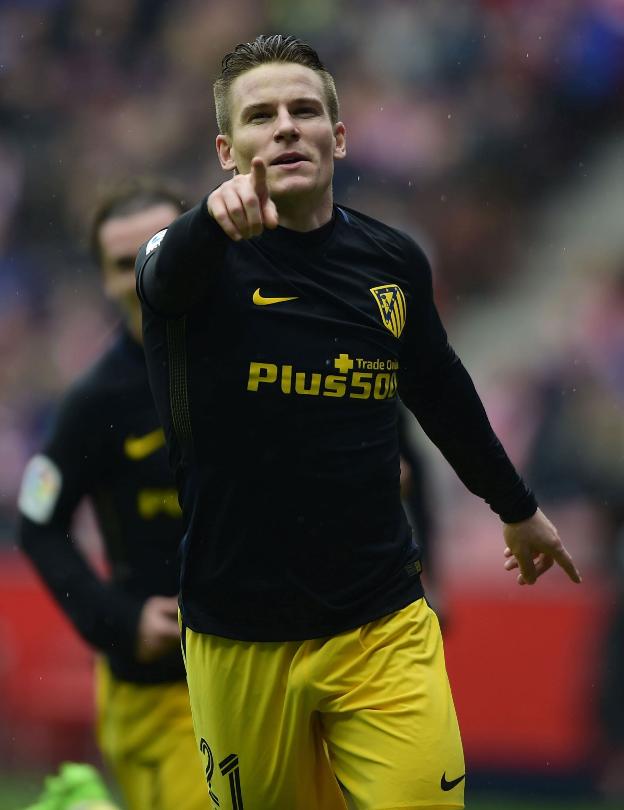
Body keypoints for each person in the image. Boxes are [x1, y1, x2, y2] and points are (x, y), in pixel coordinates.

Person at [135, 34, 582, 810]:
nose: (285, 128)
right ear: (226, 148)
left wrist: (517, 508)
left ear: (338, 137)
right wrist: (209, 221)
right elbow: (159, 276)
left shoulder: (393, 263)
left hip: (380, 619)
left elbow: (440, 389)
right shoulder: (194, 258)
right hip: (238, 629)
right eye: (261, 115)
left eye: (305, 111)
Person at [17, 179, 207, 810]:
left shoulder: (259, 354)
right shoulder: (96, 402)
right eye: (124, 264)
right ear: (102, 281)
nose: (145, 271)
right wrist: (119, 621)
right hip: (162, 693)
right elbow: (37, 526)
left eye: (160, 246)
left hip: (279, 668)